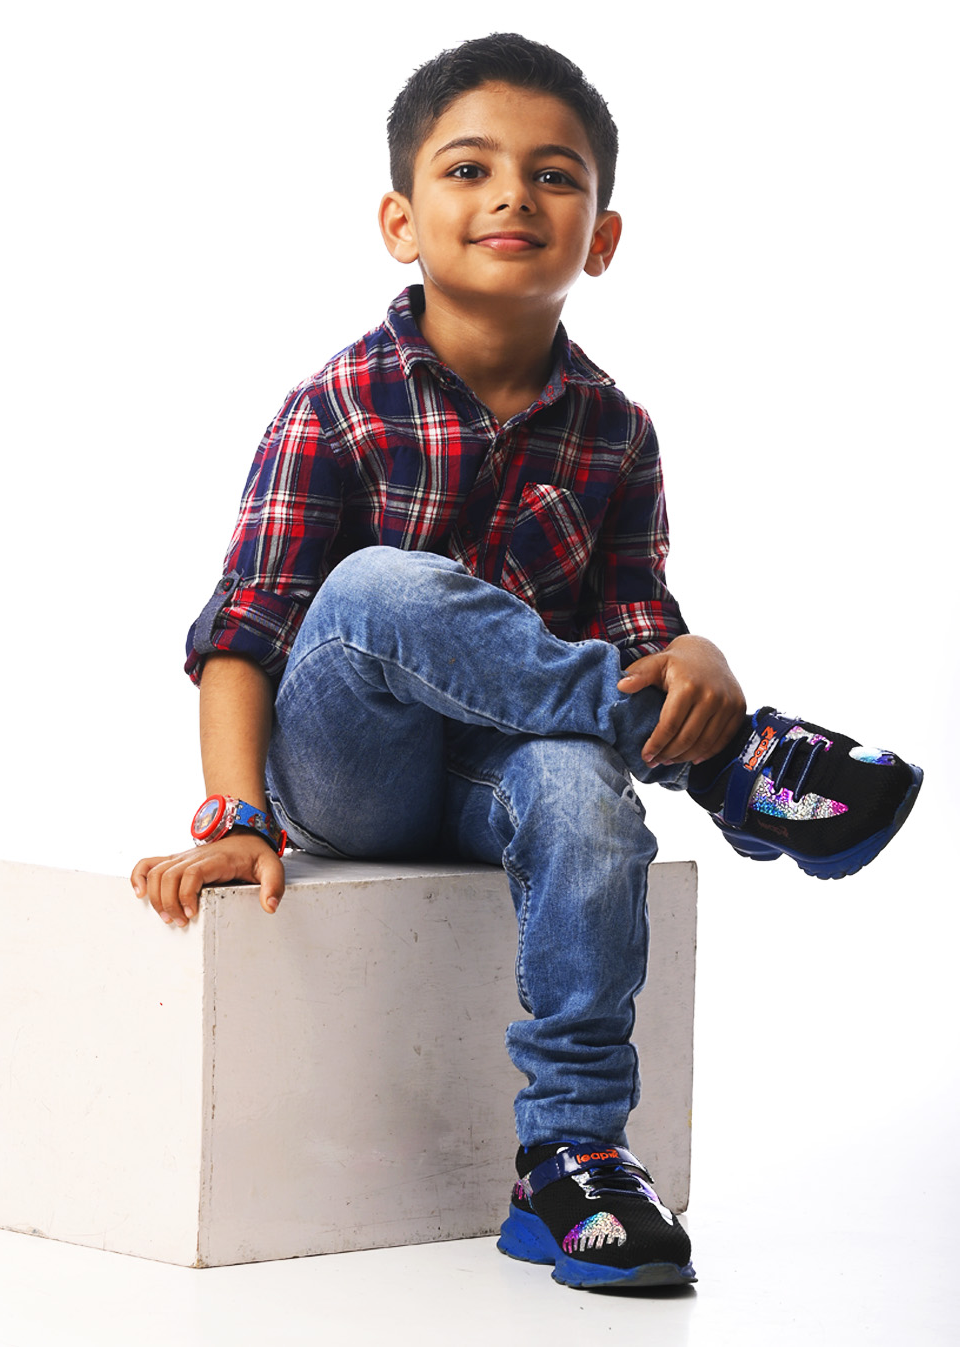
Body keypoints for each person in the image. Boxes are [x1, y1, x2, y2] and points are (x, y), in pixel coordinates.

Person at [131, 33, 922, 1290]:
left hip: (493, 782)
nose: (513, 195)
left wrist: (694, 657)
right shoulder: (337, 404)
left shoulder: (617, 432)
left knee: (580, 784)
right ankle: (735, 770)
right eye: (470, 169)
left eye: (554, 176)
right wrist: (237, 815)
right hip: (347, 772)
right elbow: (245, 629)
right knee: (377, 586)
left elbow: (634, 629)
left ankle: (571, 1159)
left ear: (601, 238)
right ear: (401, 221)